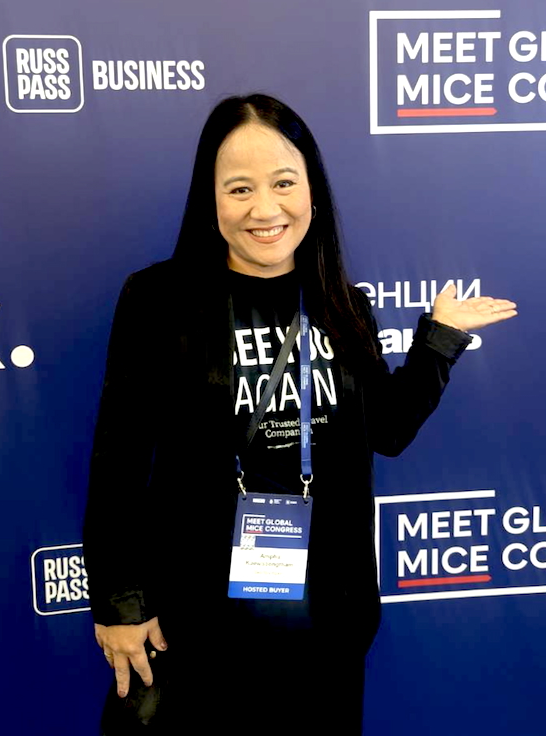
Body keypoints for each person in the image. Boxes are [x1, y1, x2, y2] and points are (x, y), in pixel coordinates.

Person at [83, 93, 517, 735]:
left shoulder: (343, 304)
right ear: (210, 199)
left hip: (326, 625)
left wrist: (437, 342)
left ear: (312, 192)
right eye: (239, 188)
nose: (265, 209)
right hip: (194, 627)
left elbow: (388, 430)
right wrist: (120, 602)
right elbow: (118, 460)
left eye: (284, 183)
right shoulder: (159, 300)